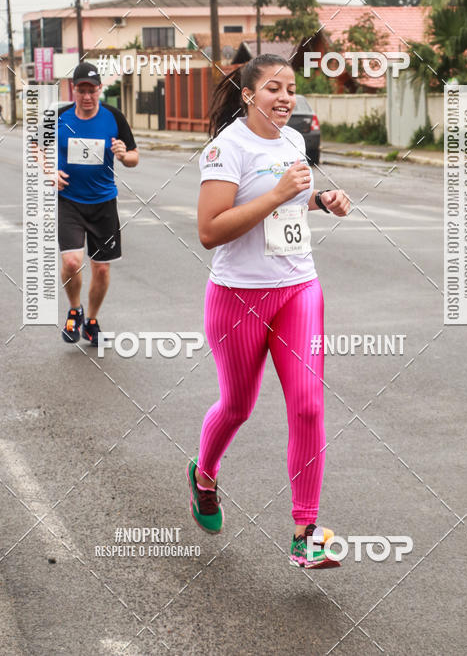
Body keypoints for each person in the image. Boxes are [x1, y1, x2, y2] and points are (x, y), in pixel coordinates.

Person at [189, 54, 351, 569]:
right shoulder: (225, 149)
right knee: (237, 406)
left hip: (298, 288)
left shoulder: (294, 142)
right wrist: (280, 192)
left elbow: (287, 208)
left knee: (307, 404)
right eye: (273, 88)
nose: (285, 98)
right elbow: (211, 230)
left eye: (292, 89)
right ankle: (204, 476)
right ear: (247, 94)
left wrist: (319, 201)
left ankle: (306, 531)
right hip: (237, 297)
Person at [56, 62, 139, 346]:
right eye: (82, 90)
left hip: (103, 202)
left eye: (92, 90)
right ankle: (74, 309)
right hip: (70, 201)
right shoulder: (59, 116)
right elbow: (34, 145)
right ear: (74, 89)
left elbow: (134, 158)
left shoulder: (114, 117)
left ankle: (91, 320)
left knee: (101, 268)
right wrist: (48, 170)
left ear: (99, 90)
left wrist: (123, 154)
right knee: (71, 261)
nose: (87, 96)